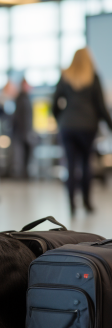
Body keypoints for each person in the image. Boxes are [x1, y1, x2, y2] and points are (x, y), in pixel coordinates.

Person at [52, 48, 112, 215]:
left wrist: (60, 120)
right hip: (87, 126)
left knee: (70, 166)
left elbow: (54, 103)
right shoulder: (93, 77)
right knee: (86, 164)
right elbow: (101, 107)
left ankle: (71, 205)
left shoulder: (65, 76)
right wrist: (110, 125)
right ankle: (87, 203)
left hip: (68, 126)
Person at [11, 78, 34, 179]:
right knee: (20, 155)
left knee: (26, 154)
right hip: (21, 132)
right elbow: (18, 117)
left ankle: (25, 174)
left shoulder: (26, 98)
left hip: (26, 131)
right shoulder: (20, 99)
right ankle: (22, 175)